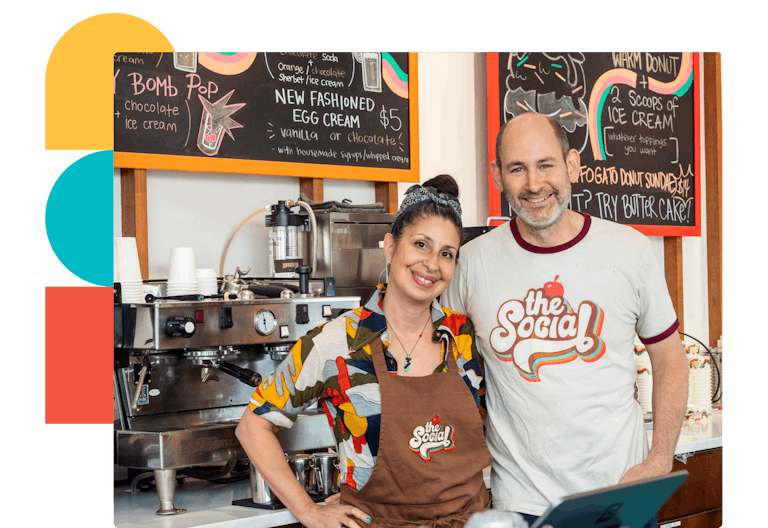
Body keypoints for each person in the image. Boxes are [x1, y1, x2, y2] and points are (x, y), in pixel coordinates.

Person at [440, 113, 689, 526]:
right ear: (498, 175)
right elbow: (444, 369)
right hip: (521, 505)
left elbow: (670, 360)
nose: (534, 184)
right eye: (517, 168)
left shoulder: (630, 249)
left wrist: (660, 457)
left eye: (546, 164)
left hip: (620, 497)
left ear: (572, 164)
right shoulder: (472, 263)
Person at [236, 175, 492, 528]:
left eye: (446, 253)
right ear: (390, 247)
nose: (432, 264)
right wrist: (308, 512)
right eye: (421, 245)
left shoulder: (464, 336)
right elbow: (253, 427)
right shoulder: (334, 342)